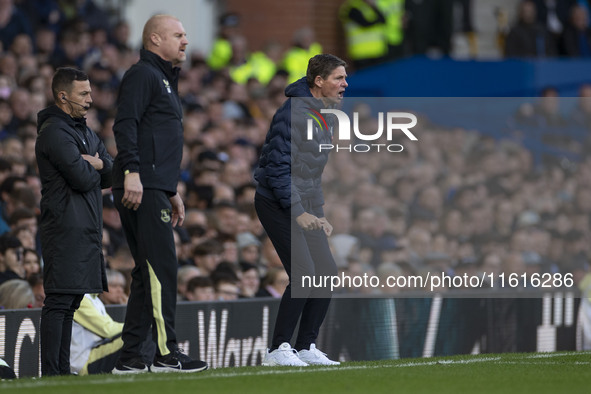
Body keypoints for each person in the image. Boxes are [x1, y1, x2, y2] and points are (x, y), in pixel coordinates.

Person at [111, 14, 207, 374]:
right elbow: (125, 124)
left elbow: (156, 137)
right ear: (154, 39)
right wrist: (133, 172)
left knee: (145, 271)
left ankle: (132, 357)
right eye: (178, 35)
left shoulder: (163, 78)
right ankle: (167, 354)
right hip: (141, 183)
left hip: (153, 185)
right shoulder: (144, 74)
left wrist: (170, 189)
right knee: (161, 267)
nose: (185, 41)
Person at [253, 53, 347, 366]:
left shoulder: (325, 115)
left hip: (302, 203)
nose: (345, 84)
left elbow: (310, 174)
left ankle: (305, 345)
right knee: (305, 272)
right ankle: (277, 349)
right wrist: (299, 211)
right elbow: (279, 170)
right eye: (338, 78)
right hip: (275, 201)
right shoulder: (294, 112)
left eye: (345, 78)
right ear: (318, 81)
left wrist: (317, 212)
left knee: (327, 272)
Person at [35, 67, 113, 376]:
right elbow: (82, 179)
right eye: (83, 93)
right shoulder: (54, 132)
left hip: (85, 227)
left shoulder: (85, 131)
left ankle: (60, 371)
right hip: (64, 227)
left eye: (90, 92)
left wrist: (95, 163)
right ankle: (52, 372)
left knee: (70, 301)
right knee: (59, 301)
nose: (90, 99)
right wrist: (97, 166)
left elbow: (111, 171)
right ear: (62, 96)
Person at [70, 293, 123, 375]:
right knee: (135, 335)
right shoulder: (81, 298)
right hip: (84, 363)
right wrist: (135, 327)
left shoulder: (95, 299)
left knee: (138, 333)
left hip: (96, 352)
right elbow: (107, 330)